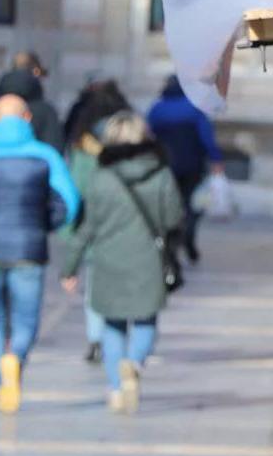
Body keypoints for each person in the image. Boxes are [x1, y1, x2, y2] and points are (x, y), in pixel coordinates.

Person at [0, 94, 80, 413]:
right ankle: (16, 357)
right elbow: (69, 203)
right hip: (30, 247)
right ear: (27, 118)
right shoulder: (46, 156)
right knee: (26, 318)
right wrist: (45, 224)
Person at [60, 111, 184, 413]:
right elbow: (173, 218)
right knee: (146, 319)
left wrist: (70, 267)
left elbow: (87, 227)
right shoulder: (161, 174)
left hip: (108, 261)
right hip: (148, 260)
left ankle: (116, 387)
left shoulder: (101, 178)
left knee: (112, 325)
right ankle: (136, 364)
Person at [0, 52, 64, 362]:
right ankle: (14, 353)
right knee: (26, 304)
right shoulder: (44, 113)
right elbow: (61, 179)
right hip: (31, 222)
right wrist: (51, 219)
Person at [61, 78, 132, 364]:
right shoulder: (130, 138)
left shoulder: (83, 143)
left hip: (94, 218)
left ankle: (95, 339)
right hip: (126, 221)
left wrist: (71, 228)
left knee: (94, 284)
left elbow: (76, 186)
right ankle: (116, 332)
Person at [146, 75, 223, 264]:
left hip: (165, 167)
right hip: (192, 166)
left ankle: (170, 243)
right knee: (191, 205)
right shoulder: (195, 110)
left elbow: (147, 137)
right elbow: (206, 138)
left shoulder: (157, 110)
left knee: (168, 205)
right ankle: (188, 234)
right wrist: (216, 159)